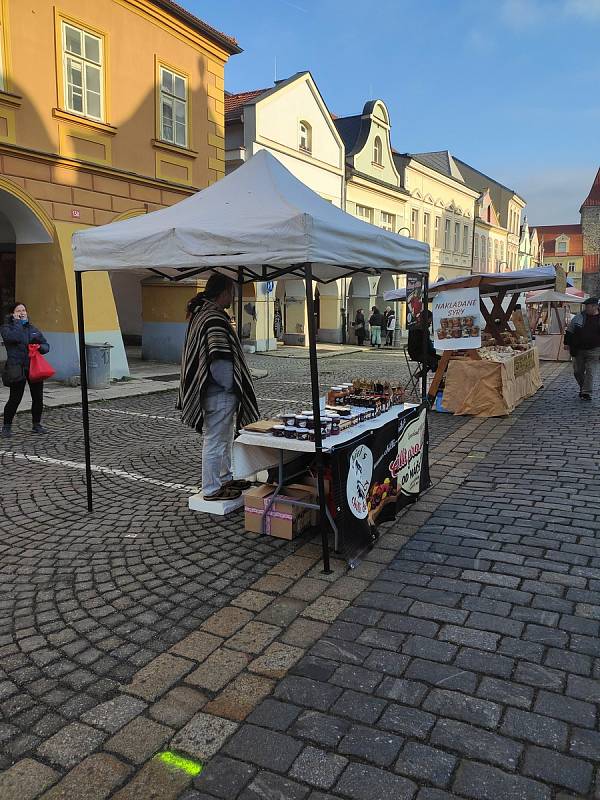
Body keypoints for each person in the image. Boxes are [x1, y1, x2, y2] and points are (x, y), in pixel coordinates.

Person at [177, 274, 260, 500]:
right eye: (231, 292)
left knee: (223, 438)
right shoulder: (213, 318)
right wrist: (233, 386)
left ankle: (225, 478)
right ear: (223, 292)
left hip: (214, 391)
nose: (232, 297)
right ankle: (212, 488)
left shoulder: (201, 314)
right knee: (215, 440)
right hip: (219, 392)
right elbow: (219, 360)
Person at [1, 302, 50, 437]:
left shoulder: (32, 328)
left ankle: (36, 425)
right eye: (18, 311)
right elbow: (14, 338)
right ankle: (6, 427)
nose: (22, 313)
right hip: (17, 367)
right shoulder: (6, 328)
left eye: (24, 310)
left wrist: (40, 347)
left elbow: (46, 345)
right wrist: (17, 323)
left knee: (38, 398)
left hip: (34, 367)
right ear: (12, 314)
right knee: (15, 398)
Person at [564, 296, 600, 401]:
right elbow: (569, 331)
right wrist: (566, 343)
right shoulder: (579, 317)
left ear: (595, 307)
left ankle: (586, 392)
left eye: (588, 306)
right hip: (578, 349)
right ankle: (583, 387)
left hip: (595, 349)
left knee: (590, 370)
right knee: (577, 371)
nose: (586, 308)